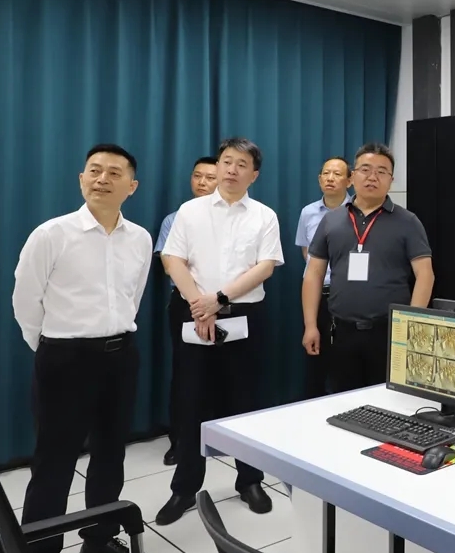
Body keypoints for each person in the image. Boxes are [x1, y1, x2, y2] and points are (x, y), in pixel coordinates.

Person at [12, 144, 152, 553]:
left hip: (120, 357)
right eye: (94, 170)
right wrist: (51, 347)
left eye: (114, 173)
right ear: (81, 178)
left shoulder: (140, 238)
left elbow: (133, 296)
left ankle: (98, 539)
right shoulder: (51, 234)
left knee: (111, 454)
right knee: (53, 463)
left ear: (132, 186)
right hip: (64, 359)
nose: (102, 179)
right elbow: (25, 300)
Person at [156, 137, 284, 525]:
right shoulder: (190, 211)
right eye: (227, 161)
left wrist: (219, 299)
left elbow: (265, 266)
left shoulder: (264, 215)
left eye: (241, 164)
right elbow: (172, 259)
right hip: (192, 310)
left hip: (243, 313)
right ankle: (184, 488)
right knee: (190, 400)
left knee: (245, 400)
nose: (231, 169)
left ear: (253, 175)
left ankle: (250, 480)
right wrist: (200, 304)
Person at [303, 142, 433, 391]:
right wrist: (310, 325)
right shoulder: (331, 221)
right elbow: (314, 274)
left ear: (391, 180)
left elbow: (425, 275)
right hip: (341, 330)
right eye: (365, 169)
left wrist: (412, 327)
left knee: (389, 399)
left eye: (382, 171)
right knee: (342, 398)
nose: (373, 177)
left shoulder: (408, 222)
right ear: (352, 177)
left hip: (389, 332)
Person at [156, 156, 218, 466]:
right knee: (185, 375)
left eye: (210, 177)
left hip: (227, 304)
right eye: (198, 176)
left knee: (226, 375)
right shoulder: (175, 218)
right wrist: (199, 304)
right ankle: (179, 442)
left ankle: (221, 439)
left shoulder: (237, 218)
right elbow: (169, 264)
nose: (203, 182)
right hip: (186, 305)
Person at [296, 156, 351, 397]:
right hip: (317, 293)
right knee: (315, 358)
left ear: (349, 180)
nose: (330, 178)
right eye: (326, 174)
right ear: (319, 180)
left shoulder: (357, 211)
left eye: (337, 174)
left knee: (345, 361)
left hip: (348, 295)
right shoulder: (308, 212)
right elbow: (306, 252)